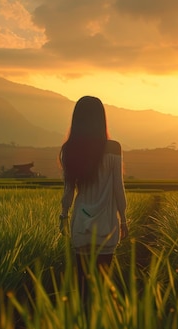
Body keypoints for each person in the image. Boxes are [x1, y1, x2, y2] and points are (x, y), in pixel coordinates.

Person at [59, 95, 128, 300]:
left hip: (81, 224)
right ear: (101, 119)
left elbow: (68, 192)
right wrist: (123, 219)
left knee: (82, 289)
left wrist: (63, 216)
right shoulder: (114, 148)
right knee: (103, 289)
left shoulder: (70, 149)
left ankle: (81, 328)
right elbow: (118, 188)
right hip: (106, 225)